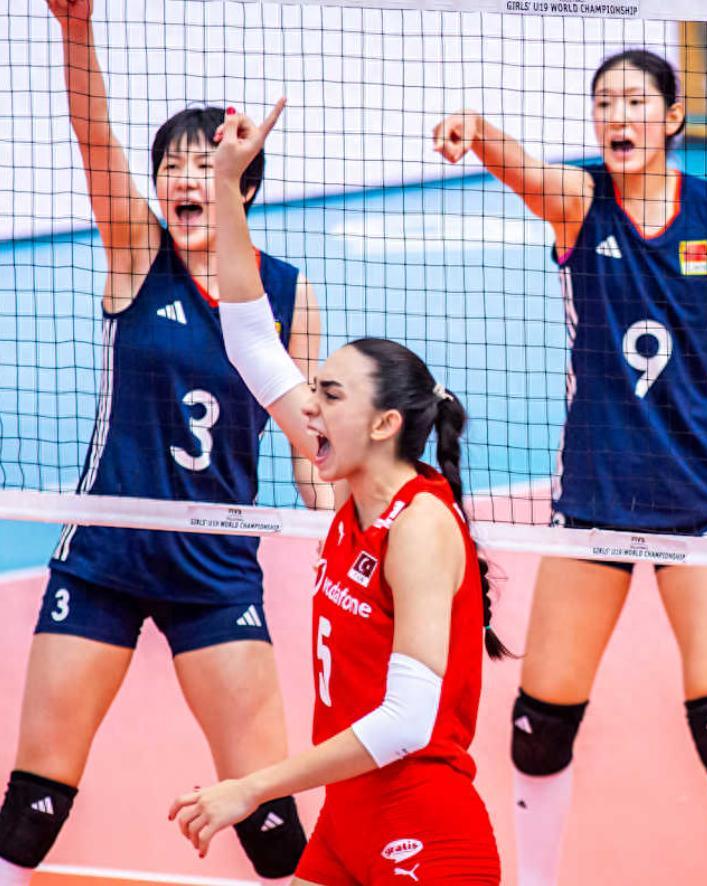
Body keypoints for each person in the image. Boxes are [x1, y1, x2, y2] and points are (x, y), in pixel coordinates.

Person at [432, 49, 707, 886]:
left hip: (696, 493)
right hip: (596, 496)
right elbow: (525, 173)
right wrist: (479, 132)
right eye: (604, 104)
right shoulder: (581, 202)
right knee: (539, 726)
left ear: (672, 116)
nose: (617, 118)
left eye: (634, 103)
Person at [0, 3, 325, 880]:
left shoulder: (288, 293)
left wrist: (341, 508)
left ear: (241, 186)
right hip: (105, 555)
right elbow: (92, 136)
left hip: (215, 565)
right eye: (170, 166)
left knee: (270, 822)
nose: (183, 179)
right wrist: (75, 31)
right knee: (31, 810)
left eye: (203, 166)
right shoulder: (137, 252)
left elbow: (309, 448)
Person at [169, 102, 506, 883]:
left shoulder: (419, 526)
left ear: (385, 424)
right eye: (311, 391)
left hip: (424, 832)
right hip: (348, 822)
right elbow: (252, 343)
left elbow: (407, 723)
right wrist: (227, 185)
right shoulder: (349, 493)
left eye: (328, 394)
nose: (308, 407)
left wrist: (251, 787)